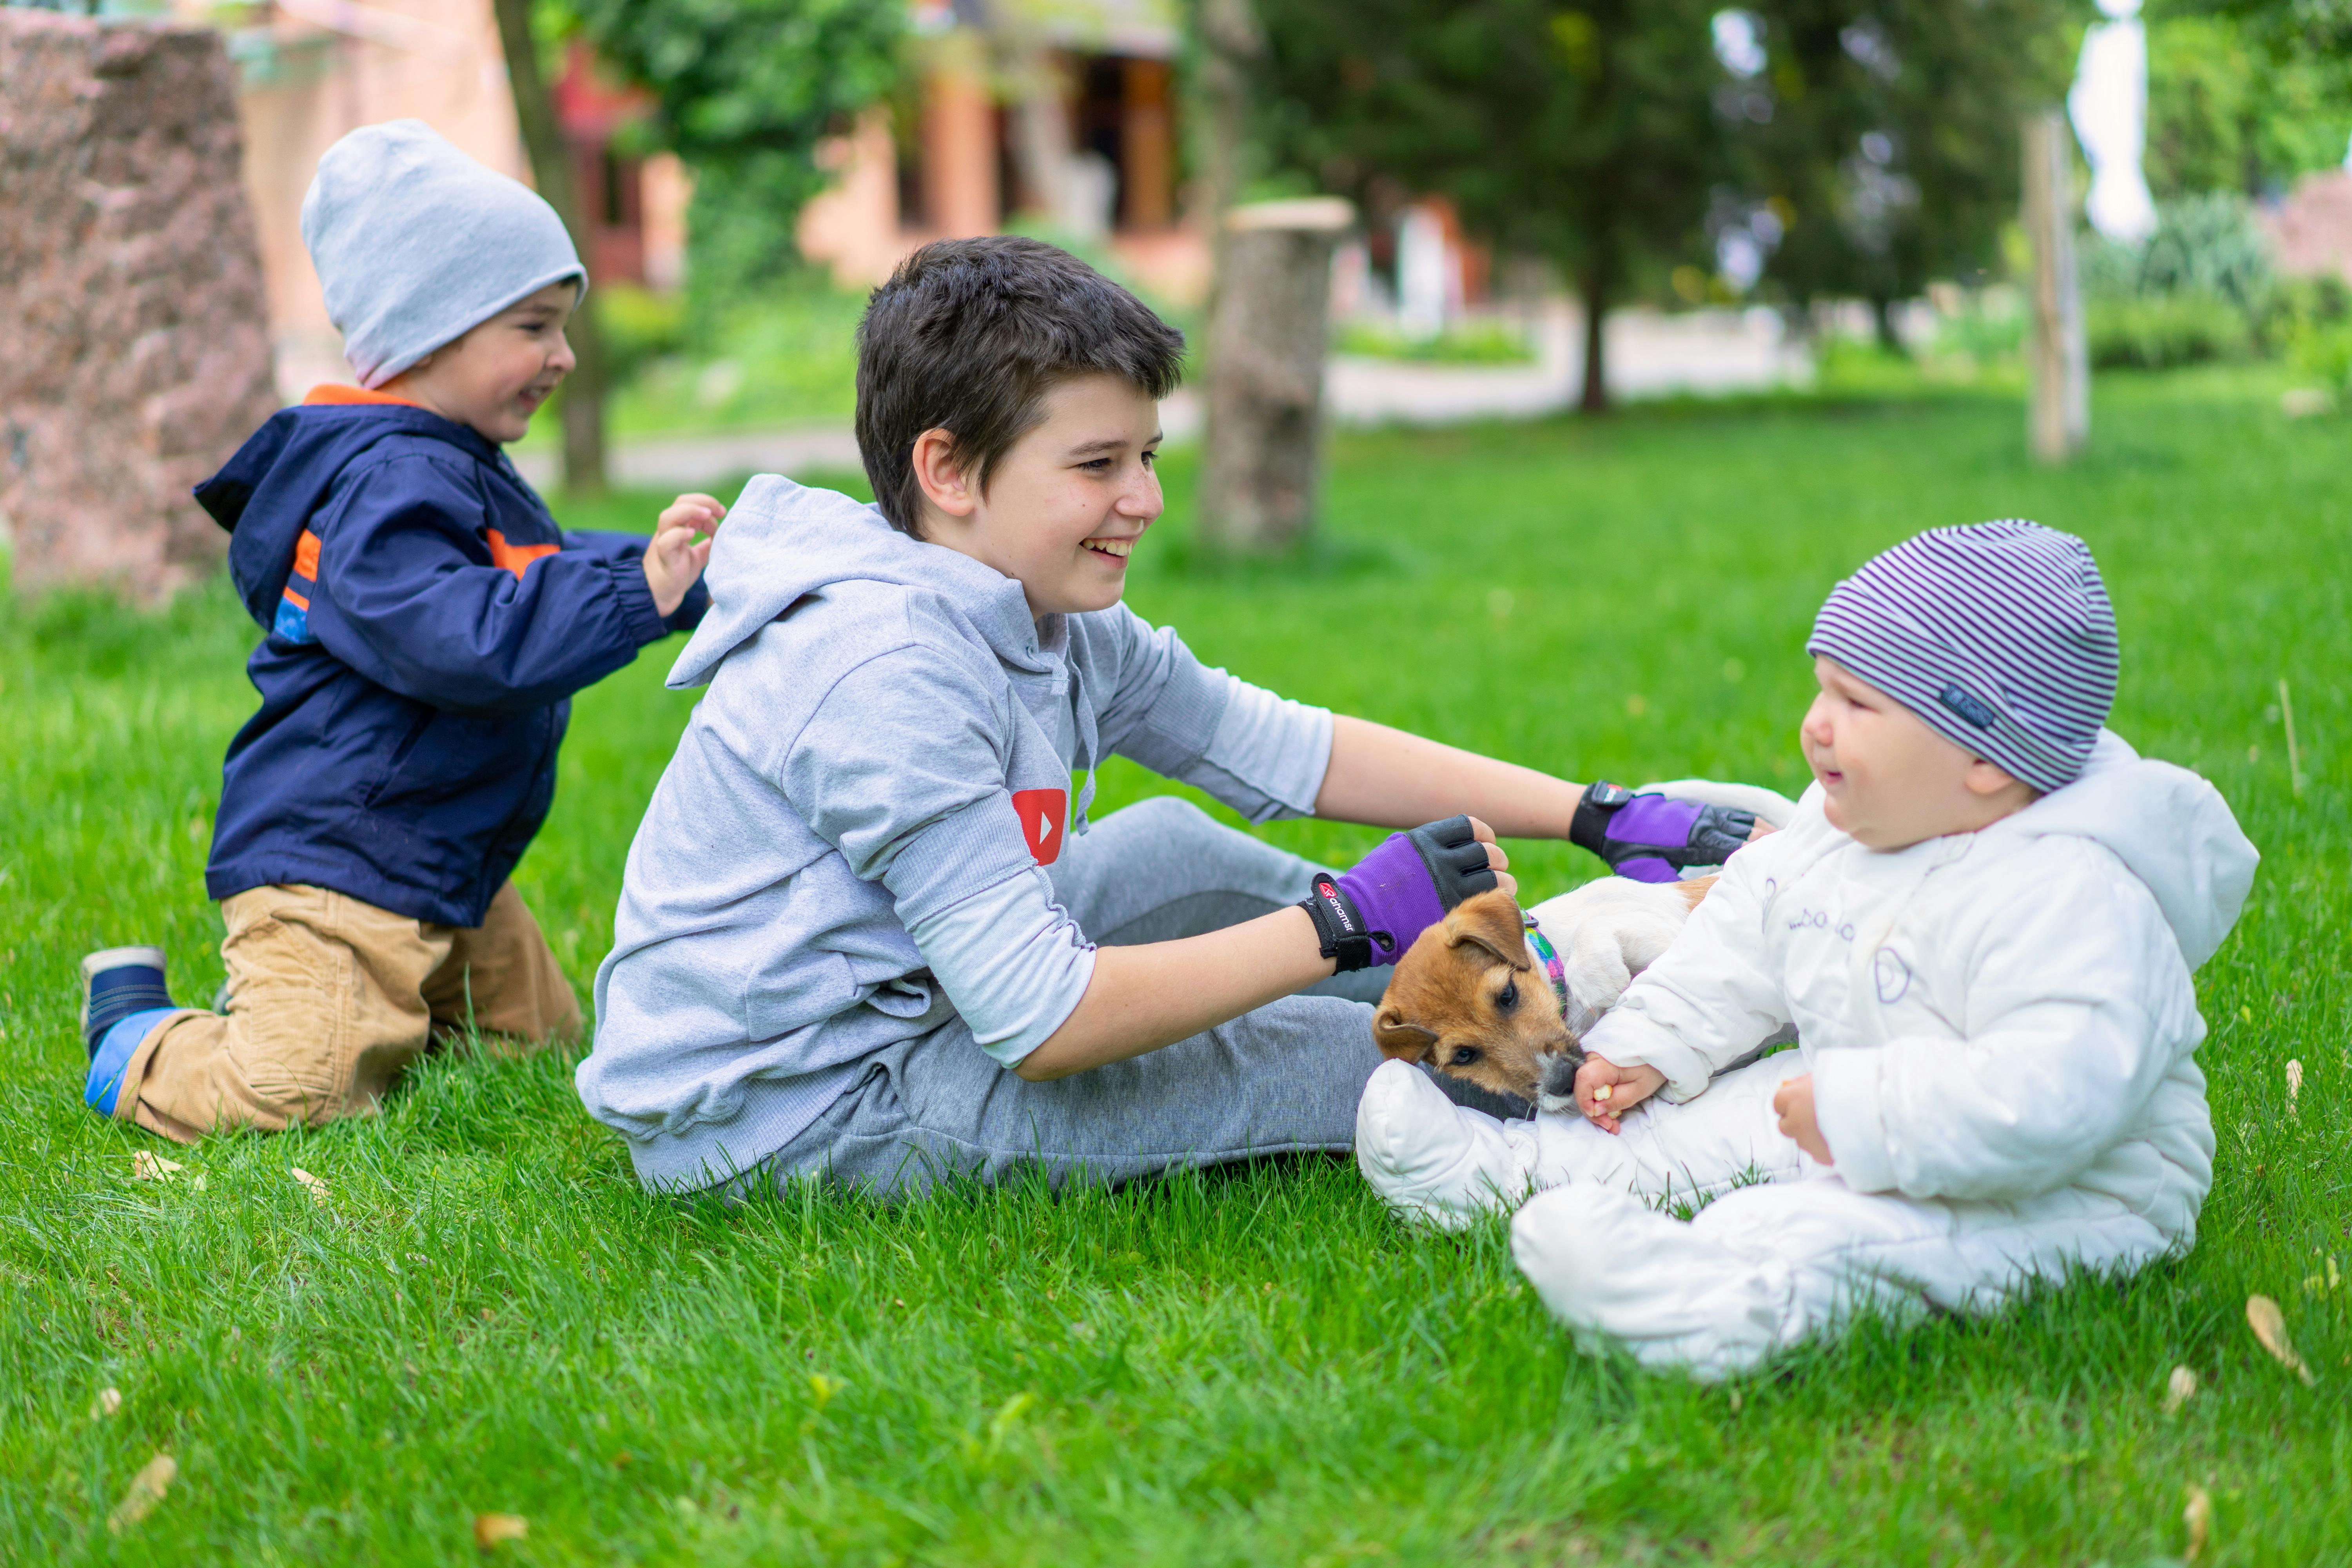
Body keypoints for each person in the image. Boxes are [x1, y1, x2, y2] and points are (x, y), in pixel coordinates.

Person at [575, 236, 1747, 1196]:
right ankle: (1644, 1131)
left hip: (924, 989)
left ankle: (1536, 976)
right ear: (949, 470)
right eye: (1098, 465)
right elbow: (1041, 1020)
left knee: (1173, 848)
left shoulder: (1040, 600)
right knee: (1336, 1060)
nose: (1144, 499)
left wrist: (1595, 813)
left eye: (1147, 454)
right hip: (797, 1100)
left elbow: (1282, 748)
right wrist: (1341, 923)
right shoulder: (885, 672)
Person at [1355, 521, 2258, 1378]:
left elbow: (2054, 1095)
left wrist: (1863, 1112)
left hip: (2062, 1186)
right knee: (1695, 1120)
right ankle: (1500, 1176)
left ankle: (1716, 1298)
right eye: (1823, 687)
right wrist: (1648, 1046)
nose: (1816, 723)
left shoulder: (2075, 895)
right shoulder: (1846, 827)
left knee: (1853, 1237)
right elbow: (1744, 940)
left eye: (1857, 702)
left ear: (1985, 757)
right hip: (1847, 1091)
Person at [78, 121, 717, 1140]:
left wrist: (676, 579)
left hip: (438, 855)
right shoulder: (385, 485)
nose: (563, 355)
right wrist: (634, 595)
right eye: (535, 326)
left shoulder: (448, 464)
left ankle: (350, 1013)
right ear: (432, 331)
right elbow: (465, 638)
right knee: (299, 1090)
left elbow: (535, 570)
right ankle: (137, 1035)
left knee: (539, 1050)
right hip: (336, 856)